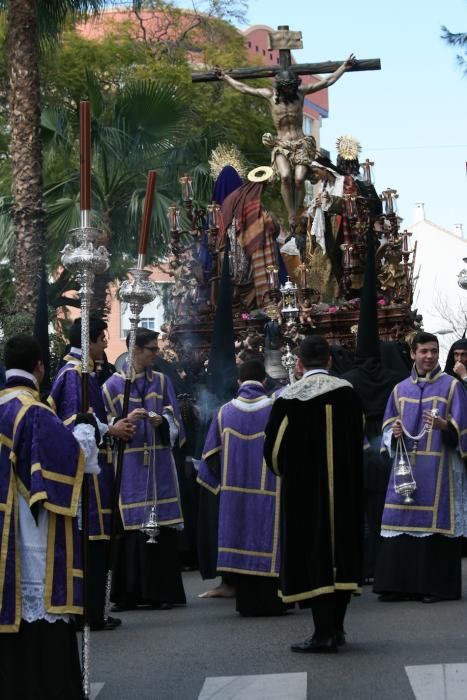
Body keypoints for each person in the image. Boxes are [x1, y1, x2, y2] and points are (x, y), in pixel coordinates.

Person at [264, 335, 364, 652]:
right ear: (330, 361)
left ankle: (323, 633)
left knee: (314, 554)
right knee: (341, 554)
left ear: (300, 363)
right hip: (346, 492)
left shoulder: (288, 399)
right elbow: (360, 440)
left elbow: (275, 453)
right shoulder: (349, 396)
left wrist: (292, 475)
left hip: (305, 495)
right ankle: (338, 628)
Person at [0, 335, 84, 699]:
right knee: (37, 606)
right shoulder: (33, 411)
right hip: (27, 529)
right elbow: (66, 467)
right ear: (39, 367)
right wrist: (87, 435)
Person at [48, 317, 134, 630]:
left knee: (95, 545)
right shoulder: (76, 373)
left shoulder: (76, 370)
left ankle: (94, 611)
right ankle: (91, 614)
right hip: (88, 478)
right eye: (102, 340)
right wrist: (112, 427)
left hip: (93, 471)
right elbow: (75, 422)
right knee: (93, 544)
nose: (104, 347)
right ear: (93, 340)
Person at [373, 332, 467, 603]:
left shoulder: (452, 386)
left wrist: (445, 427)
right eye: (424, 351)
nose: (429, 356)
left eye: (434, 351)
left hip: (440, 467)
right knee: (401, 519)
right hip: (407, 468)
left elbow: (463, 430)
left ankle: (434, 588)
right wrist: (395, 431)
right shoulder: (399, 389)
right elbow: (388, 424)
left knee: (436, 525)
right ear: (412, 353)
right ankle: (398, 586)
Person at [102, 328, 187, 611]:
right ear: (134, 350)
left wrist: (162, 421)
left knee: (160, 526)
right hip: (129, 466)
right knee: (130, 529)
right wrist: (123, 421)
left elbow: (176, 420)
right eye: (151, 349)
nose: (156, 354)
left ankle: (162, 593)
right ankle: (128, 595)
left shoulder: (162, 382)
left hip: (159, 462)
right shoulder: (111, 386)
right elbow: (104, 426)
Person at [217, 55, 356, 223]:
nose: (290, 90)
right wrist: (225, 77)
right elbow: (244, 88)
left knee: (299, 178)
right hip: (281, 144)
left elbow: (326, 82)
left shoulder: (301, 93)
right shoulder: (270, 95)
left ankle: (298, 210)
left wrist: (343, 67)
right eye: (287, 88)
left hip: (301, 144)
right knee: (284, 175)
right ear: (281, 87)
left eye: (292, 87)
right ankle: (291, 213)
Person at [197, 360, 286, 616]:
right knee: (268, 538)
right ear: (264, 382)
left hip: (234, 495)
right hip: (271, 491)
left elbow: (210, 458)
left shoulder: (224, 412)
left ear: (238, 382)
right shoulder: (275, 408)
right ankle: (273, 599)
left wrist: (219, 484)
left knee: (239, 536)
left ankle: (244, 600)